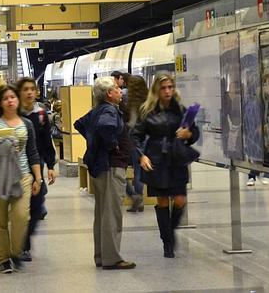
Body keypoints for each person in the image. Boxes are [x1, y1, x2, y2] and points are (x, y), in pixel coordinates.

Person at [130, 74, 199, 258]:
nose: (168, 91)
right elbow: (135, 136)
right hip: (156, 159)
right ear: (156, 90)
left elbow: (194, 132)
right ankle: (168, 242)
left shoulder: (182, 110)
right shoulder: (147, 111)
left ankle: (169, 231)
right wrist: (141, 156)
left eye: (170, 87)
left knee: (179, 200)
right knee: (162, 201)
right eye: (164, 88)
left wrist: (189, 135)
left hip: (176, 159)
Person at [0, 84, 43, 274]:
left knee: (22, 216)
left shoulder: (27, 124)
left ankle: (16, 251)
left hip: (22, 176)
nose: (10, 101)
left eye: (13, 97)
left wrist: (38, 178)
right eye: (5, 98)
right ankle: (3, 259)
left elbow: (32, 152)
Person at [74, 77, 136, 270]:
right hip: (111, 167)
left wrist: (94, 142)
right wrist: (111, 145)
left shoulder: (98, 109)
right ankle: (112, 258)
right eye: (117, 89)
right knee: (112, 214)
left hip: (100, 167)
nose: (120, 91)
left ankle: (101, 256)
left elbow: (79, 124)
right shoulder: (109, 110)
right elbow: (105, 127)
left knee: (101, 213)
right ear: (109, 94)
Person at [16, 77, 57, 262]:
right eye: (26, 89)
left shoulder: (41, 115)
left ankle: (24, 246)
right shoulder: (11, 113)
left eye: (33, 89)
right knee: (18, 210)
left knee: (36, 207)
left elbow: (46, 142)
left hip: (35, 166)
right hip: (14, 168)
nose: (30, 92)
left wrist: (51, 165)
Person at [125, 75, 149, 213]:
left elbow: (131, 123)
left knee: (137, 169)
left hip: (134, 137)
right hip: (146, 136)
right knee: (140, 169)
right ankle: (139, 198)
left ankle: (137, 199)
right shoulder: (147, 101)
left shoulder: (131, 103)